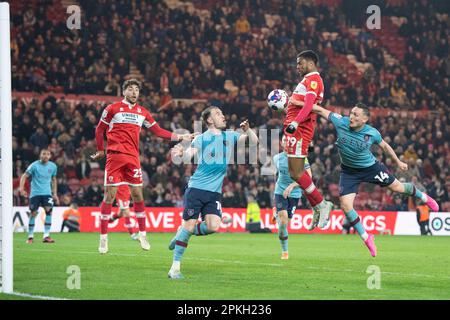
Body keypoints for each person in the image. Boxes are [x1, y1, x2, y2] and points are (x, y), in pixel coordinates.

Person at [300, 102, 440, 257]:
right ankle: (367, 238)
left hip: (371, 168)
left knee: (398, 188)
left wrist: (398, 162)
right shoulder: (341, 121)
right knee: (346, 206)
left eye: (355, 115)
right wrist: (297, 103)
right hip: (349, 172)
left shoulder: (372, 133)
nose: (351, 117)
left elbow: (385, 147)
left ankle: (424, 197)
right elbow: (319, 109)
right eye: (351, 113)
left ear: (364, 120)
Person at [91, 79, 194, 254]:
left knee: (138, 195)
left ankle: (142, 234)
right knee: (109, 196)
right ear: (124, 92)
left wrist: (181, 137)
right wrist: (101, 149)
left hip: (133, 158)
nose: (134, 92)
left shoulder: (142, 112)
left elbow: (159, 131)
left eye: (136, 90)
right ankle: (103, 238)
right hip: (115, 157)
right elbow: (99, 130)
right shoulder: (112, 109)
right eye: (130, 89)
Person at [167, 106, 258, 279]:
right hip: (197, 189)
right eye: (217, 114)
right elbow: (188, 157)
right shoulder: (202, 138)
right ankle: (175, 268)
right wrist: (180, 153)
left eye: (222, 113)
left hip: (214, 193)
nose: (222, 116)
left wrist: (248, 130)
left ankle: (182, 231)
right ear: (209, 120)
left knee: (213, 226)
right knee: (190, 225)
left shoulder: (229, 136)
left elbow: (253, 142)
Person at [283, 50, 333, 230]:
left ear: (310, 62)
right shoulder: (307, 81)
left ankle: (321, 204)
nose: (297, 67)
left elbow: (311, 104)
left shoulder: (313, 79)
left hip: (300, 130)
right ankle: (316, 206)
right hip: (294, 130)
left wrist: (295, 122)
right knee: (293, 173)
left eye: (300, 63)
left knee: (297, 173)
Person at [271, 145, 312, 260]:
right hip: (280, 192)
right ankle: (285, 251)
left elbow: (309, 177)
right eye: (284, 140)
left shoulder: (302, 158)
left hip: (295, 193)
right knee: (283, 220)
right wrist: (279, 187)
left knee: (284, 224)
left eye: (288, 140)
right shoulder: (276, 158)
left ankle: (276, 214)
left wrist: (292, 186)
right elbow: (277, 174)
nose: (286, 142)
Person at [19, 149, 59, 243]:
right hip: (35, 193)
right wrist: (21, 189)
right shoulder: (34, 165)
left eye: (48, 154)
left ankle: (46, 236)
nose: (46, 156)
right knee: (33, 213)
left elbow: (53, 179)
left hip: (47, 193)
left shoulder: (53, 166)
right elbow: (24, 176)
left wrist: (55, 193)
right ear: (40, 155)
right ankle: (30, 237)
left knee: (49, 212)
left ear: (50, 156)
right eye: (44, 154)